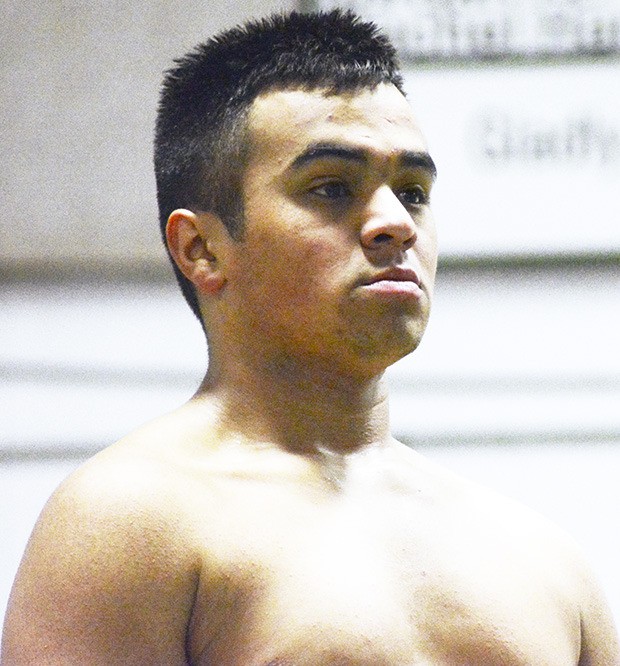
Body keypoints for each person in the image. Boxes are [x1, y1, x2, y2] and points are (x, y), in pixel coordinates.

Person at [2, 9, 618, 665]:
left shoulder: (544, 562)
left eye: (412, 192)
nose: (394, 224)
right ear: (201, 248)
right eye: (331, 187)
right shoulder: (127, 524)